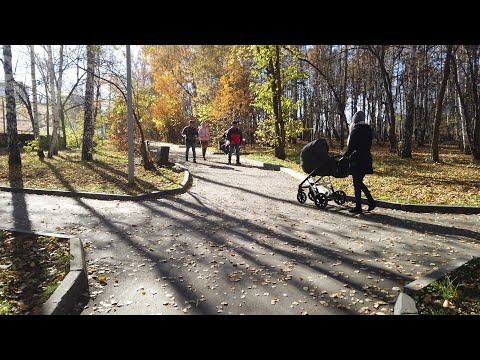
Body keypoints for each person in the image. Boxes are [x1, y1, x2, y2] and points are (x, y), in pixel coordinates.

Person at [343, 110, 376, 214]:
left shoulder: (356, 130)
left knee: (357, 183)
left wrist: (344, 155)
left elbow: (351, 147)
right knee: (359, 182)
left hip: (357, 160)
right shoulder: (368, 130)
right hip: (366, 159)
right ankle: (370, 201)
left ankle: (359, 206)